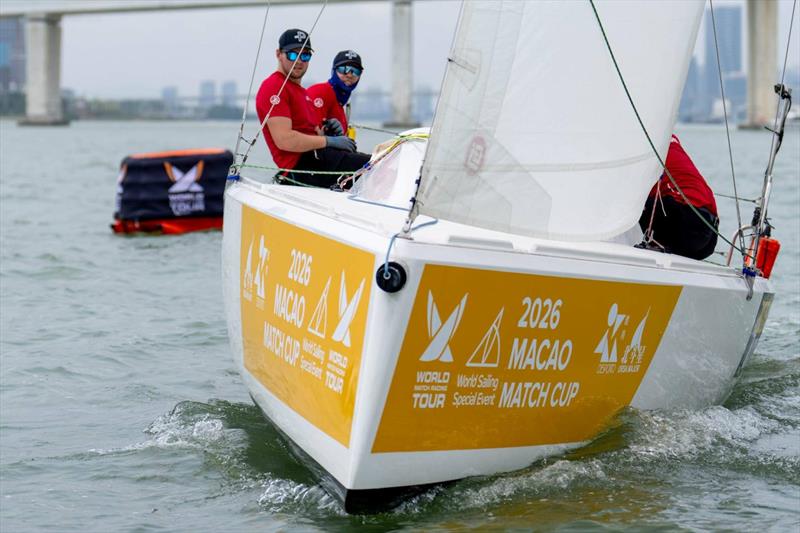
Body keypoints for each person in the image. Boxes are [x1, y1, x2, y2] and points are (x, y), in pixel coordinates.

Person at [255, 29, 371, 188]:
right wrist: (330, 141)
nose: (299, 61)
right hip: (301, 167)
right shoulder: (274, 86)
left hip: (317, 160)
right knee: (378, 166)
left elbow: (310, 132)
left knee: (382, 161)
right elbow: (284, 140)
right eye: (293, 55)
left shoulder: (302, 92)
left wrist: (328, 132)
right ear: (278, 54)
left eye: (305, 55)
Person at [638, 134, 719, 260]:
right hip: (709, 233)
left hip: (686, 225)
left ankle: (652, 248)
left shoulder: (642, 149)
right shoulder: (669, 141)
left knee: (635, 203)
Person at [307, 50, 364, 134]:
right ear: (334, 70)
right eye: (343, 69)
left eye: (355, 71)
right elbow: (305, 134)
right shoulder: (319, 92)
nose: (349, 75)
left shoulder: (340, 104)